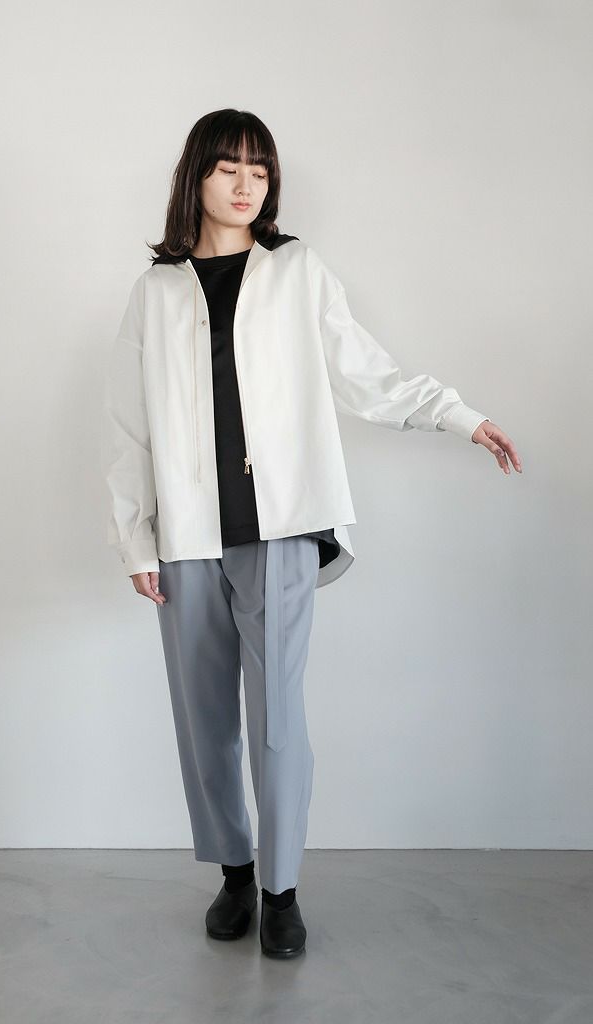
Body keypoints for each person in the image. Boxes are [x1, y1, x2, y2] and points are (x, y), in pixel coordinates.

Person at [101, 108, 522, 960]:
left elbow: (368, 374)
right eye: (228, 167)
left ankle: (280, 887)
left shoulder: (296, 271)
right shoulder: (156, 291)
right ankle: (233, 872)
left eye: (259, 169)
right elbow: (128, 426)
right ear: (196, 177)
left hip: (282, 528)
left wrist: (459, 417)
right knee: (203, 716)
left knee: (277, 719)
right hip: (188, 534)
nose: (245, 184)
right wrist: (134, 539)